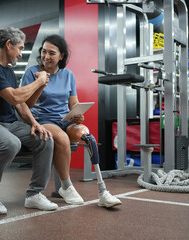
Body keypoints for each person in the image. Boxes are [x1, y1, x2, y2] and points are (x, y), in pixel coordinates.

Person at [21, 34, 121, 207]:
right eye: (44, 52)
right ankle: (66, 187)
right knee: (61, 138)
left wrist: (77, 115)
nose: (46, 56)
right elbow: (27, 103)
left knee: (87, 135)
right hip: (42, 119)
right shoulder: (32, 72)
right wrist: (40, 82)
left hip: (64, 119)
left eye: (52, 53)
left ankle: (103, 190)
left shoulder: (68, 75)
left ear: (62, 56)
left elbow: (73, 102)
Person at [0, 27, 58, 214]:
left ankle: (34, 195)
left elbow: (22, 104)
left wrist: (34, 123)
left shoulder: (9, 72)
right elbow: (15, 97)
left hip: (10, 124)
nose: (20, 53)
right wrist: (39, 81)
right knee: (11, 144)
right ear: (8, 45)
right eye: (19, 48)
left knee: (46, 139)